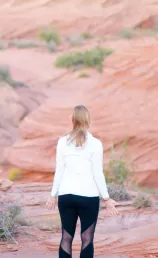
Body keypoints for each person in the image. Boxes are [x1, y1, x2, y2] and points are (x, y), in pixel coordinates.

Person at [46, 105, 118, 258]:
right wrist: (106, 198)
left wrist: (53, 195)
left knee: (66, 237)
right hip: (88, 197)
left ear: (73, 120)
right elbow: (98, 173)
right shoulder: (96, 143)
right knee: (87, 239)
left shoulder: (62, 142)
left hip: (66, 196)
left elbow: (59, 170)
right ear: (88, 120)